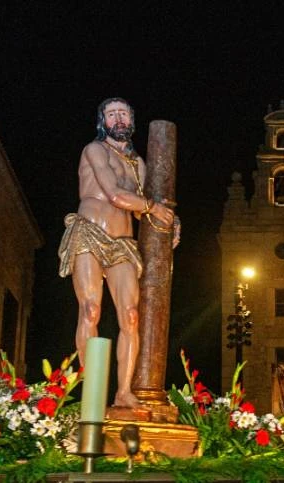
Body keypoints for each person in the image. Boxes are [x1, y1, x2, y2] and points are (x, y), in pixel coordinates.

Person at [58, 97, 178, 408]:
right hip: (90, 231)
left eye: (123, 113)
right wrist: (154, 207)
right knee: (90, 310)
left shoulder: (138, 164)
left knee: (131, 315)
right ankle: (91, 392)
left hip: (123, 241)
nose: (118, 119)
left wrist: (170, 220)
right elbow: (113, 194)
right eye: (111, 115)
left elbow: (143, 208)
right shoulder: (94, 150)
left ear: (131, 120)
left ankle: (124, 391)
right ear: (103, 121)